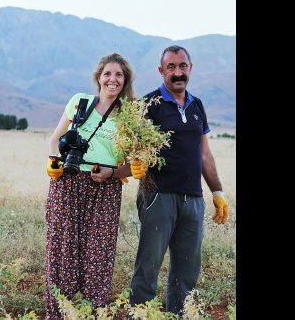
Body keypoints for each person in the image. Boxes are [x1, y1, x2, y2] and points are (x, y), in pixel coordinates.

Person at [128, 45, 230, 316]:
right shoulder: (149, 105)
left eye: (182, 66)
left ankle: (179, 315)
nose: (177, 73)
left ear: (190, 68)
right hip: (157, 197)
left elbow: (204, 153)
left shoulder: (197, 105)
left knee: (187, 270)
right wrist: (133, 163)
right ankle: (140, 314)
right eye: (171, 67)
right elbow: (129, 147)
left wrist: (217, 191)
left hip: (193, 199)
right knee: (148, 266)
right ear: (161, 71)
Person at [44, 53, 139, 319]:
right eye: (108, 73)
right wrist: (54, 163)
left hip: (105, 189)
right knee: (61, 248)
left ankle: (94, 312)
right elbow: (54, 140)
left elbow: (135, 163)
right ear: (98, 77)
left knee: (99, 252)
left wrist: (112, 172)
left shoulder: (129, 115)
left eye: (119, 75)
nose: (113, 79)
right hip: (67, 182)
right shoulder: (79, 102)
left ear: (125, 80)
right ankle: (58, 312)